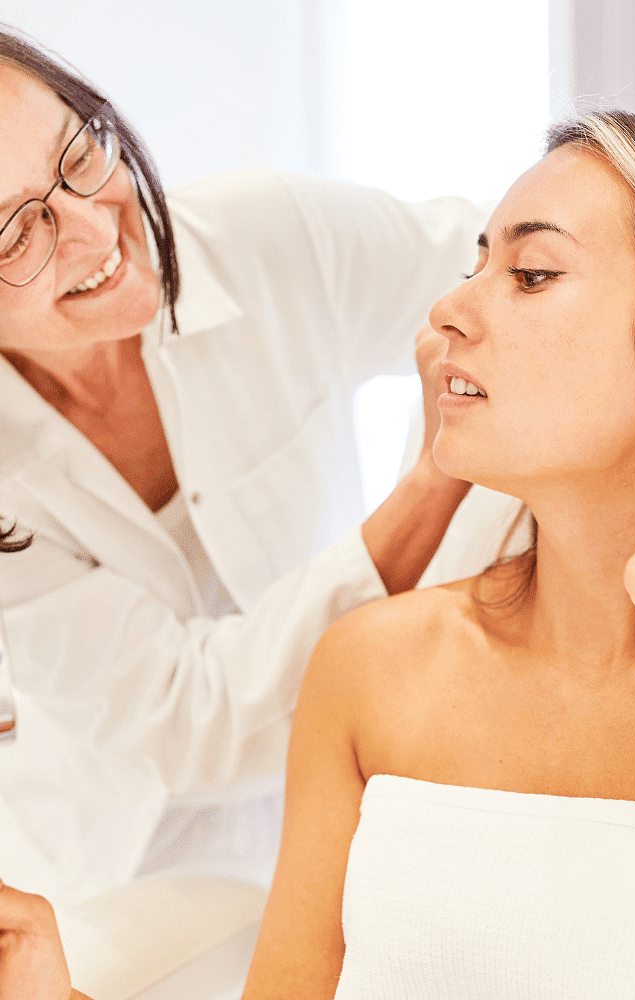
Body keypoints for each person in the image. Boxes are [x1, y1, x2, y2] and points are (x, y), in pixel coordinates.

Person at [3, 110, 635, 1000]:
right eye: (474, 265)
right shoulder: (369, 669)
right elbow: (193, 716)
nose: (447, 309)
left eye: (530, 275)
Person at [0, 25, 488, 906]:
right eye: (11, 237)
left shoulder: (267, 235)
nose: (90, 223)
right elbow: (192, 720)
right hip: (107, 875)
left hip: (358, 801)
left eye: (78, 151)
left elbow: (500, 278)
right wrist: (431, 484)